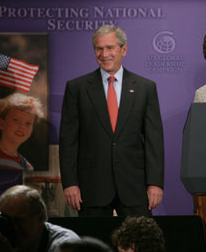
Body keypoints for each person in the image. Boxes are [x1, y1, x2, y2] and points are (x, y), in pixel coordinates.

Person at [59, 25, 164, 217]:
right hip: (92, 187)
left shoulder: (145, 88)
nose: (104, 53)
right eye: (99, 48)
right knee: (93, 246)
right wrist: (70, 183)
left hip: (134, 187)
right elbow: (68, 141)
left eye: (110, 48)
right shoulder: (77, 88)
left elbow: (153, 141)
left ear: (124, 50)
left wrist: (155, 183)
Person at [0, 185, 80, 252]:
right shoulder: (5, 240)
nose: (13, 227)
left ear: (40, 218)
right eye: (6, 221)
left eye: (19, 221)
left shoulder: (65, 245)